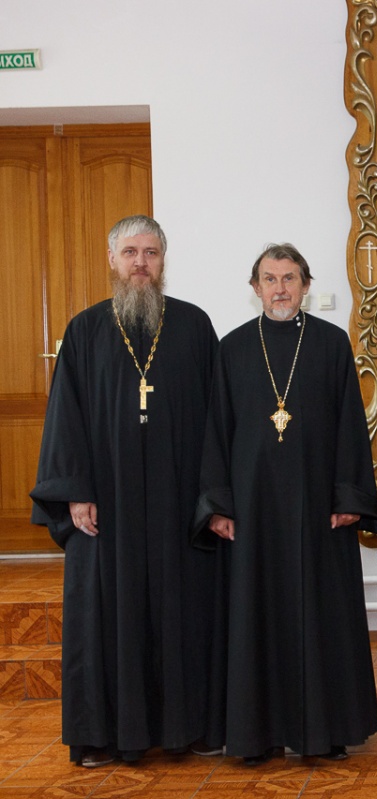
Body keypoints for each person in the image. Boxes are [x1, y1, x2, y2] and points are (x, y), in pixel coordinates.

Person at [30, 215, 221, 767]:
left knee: (184, 612)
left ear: (163, 261)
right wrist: (75, 492)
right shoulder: (85, 330)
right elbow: (65, 418)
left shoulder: (193, 326)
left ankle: (186, 728)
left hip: (178, 502)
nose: (141, 263)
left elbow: (218, 419)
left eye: (151, 253)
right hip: (106, 507)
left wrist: (213, 499)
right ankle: (101, 736)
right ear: (112, 260)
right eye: (131, 252)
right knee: (104, 618)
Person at [194, 243, 377, 765]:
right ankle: (257, 735)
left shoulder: (331, 343)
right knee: (255, 616)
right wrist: (218, 505)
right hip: (252, 510)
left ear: (306, 285)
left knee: (323, 615)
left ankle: (327, 731)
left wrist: (349, 496)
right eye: (270, 279)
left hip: (319, 507)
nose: (280, 288)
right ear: (255, 288)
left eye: (290, 278)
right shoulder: (232, 348)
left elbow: (351, 426)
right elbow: (216, 431)